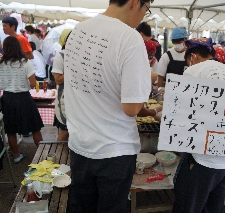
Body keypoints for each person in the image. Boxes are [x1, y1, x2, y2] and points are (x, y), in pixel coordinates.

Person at [64, 0, 155, 212]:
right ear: (134, 3)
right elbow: (132, 108)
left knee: (82, 206)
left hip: (79, 145)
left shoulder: (79, 30)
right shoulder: (130, 38)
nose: (144, 15)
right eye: (146, 8)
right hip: (114, 152)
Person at [172, 38, 225, 213]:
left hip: (203, 159)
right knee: (214, 206)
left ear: (193, 56)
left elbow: (181, 112)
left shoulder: (194, 71)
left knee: (188, 206)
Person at [0, 36, 44, 164]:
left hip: (7, 99)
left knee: (11, 130)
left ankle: (16, 155)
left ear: (5, 48)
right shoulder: (25, 62)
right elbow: (33, 83)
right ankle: (42, 155)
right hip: (23, 98)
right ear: (19, 47)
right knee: (35, 127)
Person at [51, 32, 71, 142]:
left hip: (78, 100)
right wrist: (73, 70)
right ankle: (57, 156)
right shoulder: (61, 55)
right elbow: (58, 80)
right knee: (65, 132)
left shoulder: (82, 56)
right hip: (64, 100)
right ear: (65, 42)